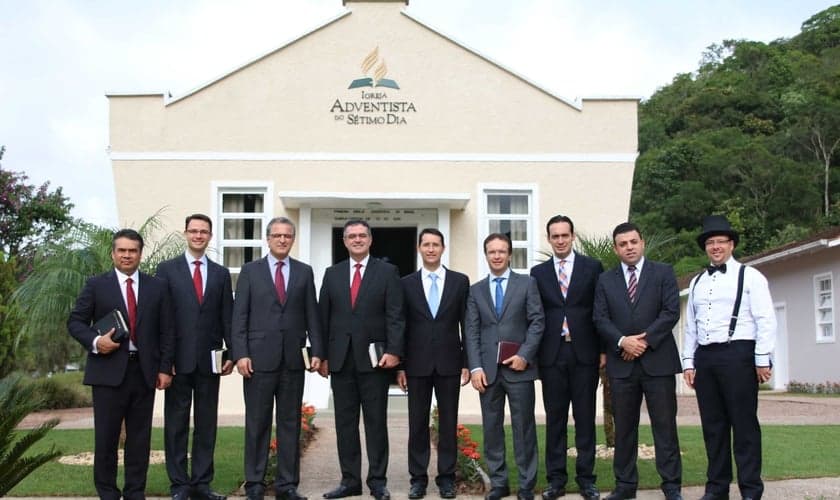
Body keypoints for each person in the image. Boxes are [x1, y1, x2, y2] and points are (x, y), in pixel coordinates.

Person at [67, 229, 175, 500]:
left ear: (140, 253)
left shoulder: (157, 286)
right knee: (106, 439)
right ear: (113, 253)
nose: (127, 255)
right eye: (122, 250)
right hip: (107, 372)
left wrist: (164, 367)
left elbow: (167, 331)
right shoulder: (96, 285)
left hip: (144, 372)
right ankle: (107, 493)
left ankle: (135, 492)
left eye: (133, 250)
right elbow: (75, 322)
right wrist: (95, 341)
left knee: (140, 440)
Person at [683, 215, 776, 500]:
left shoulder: (751, 277)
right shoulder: (698, 281)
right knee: (713, 427)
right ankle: (716, 489)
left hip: (738, 353)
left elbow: (766, 319)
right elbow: (691, 325)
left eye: (720, 241)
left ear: (731, 244)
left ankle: (750, 490)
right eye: (710, 242)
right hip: (706, 358)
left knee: (744, 425)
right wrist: (689, 362)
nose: (715, 247)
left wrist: (762, 357)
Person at [231, 216, 324, 500]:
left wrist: (318, 351)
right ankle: (255, 484)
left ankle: (286, 485)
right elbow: (240, 317)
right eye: (277, 235)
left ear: (292, 239)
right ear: (268, 239)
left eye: (287, 236)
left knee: (290, 424)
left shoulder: (304, 272)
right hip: (257, 360)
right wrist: (241, 354)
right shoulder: (250, 271)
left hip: (293, 362)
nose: (282, 240)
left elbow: (312, 315)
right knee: (257, 423)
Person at [593, 222, 682, 500]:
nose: (629, 247)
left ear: (642, 242)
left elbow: (670, 312)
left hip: (659, 363)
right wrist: (623, 342)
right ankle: (625, 487)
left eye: (633, 242)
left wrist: (642, 342)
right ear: (616, 248)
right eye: (623, 244)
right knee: (625, 429)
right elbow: (600, 318)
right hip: (622, 365)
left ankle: (671, 487)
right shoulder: (605, 280)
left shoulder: (663, 273)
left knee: (665, 427)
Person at [318, 219, 405, 500]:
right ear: (344, 241)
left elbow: (395, 316)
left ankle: (377, 481)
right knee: (344, 423)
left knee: (376, 422)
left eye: (362, 235)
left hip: (375, 362)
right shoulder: (332, 274)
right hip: (341, 360)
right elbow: (323, 319)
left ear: (370, 240)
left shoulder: (388, 272)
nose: (357, 240)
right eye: (351, 236)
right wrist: (322, 356)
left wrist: (394, 352)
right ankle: (349, 481)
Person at [156, 214, 233, 500]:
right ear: (185, 233)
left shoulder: (220, 274)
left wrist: (232, 354)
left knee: (206, 425)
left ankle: (201, 484)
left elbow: (228, 317)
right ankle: (179, 485)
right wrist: (165, 361)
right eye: (194, 231)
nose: (198, 236)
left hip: (210, 361)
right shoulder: (166, 270)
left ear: (210, 236)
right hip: (177, 362)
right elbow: (161, 318)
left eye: (204, 232)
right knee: (176, 425)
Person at [464, 233, 544, 500]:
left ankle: (526, 485)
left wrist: (525, 355)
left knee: (524, 429)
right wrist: (475, 368)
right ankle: (499, 483)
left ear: (510, 254)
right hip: (488, 372)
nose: (497, 256)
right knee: (491, 429)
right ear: (485, 255)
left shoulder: (527, 284)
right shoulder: (475, 290)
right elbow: (471, 332)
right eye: (491, 252)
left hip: (519, 369)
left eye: (502, 251)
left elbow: (537, 322)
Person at [530, 215, 604, 500]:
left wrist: (603, 351)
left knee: (585, 419)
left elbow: (600, 311)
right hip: (552, 354)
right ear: (549, 239)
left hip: (584, 353)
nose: (560, 240)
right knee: (555, 420)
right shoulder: (538, 274)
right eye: (555, 236)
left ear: (573, 237)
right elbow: (535, 316)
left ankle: (587, 480)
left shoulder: (592, 267)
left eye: (565, 235)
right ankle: (556, 480)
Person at [396, 228, 470, 500]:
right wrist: (400, 366)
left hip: (450, 363)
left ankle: (447, 478)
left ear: (443, 248)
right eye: (425, 244)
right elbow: (400, 327)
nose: (430, 249)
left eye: (435, 244)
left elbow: (466, 324)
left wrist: (467, 362)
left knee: (448, 423)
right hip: (416, 364)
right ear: (419, 248)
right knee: (417, 423)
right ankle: (418, 479)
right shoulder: (406, 283)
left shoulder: (460, 282)